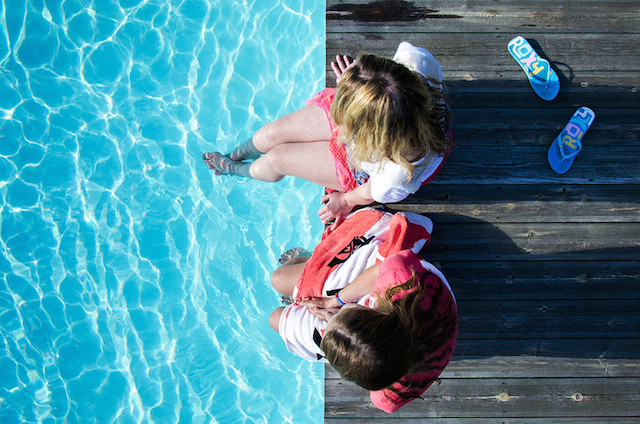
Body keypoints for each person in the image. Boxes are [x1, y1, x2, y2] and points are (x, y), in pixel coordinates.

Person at [203, 42, 452, 227]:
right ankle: (235, 154)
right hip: (381, 116)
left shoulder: (398, 173)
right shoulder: (416, 61)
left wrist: (345, 200)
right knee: (269, 135)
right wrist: (362, 84)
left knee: (276, 158)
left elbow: (370, 191)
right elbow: (387, 88)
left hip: (369, 164)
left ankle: (234, 169)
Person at [268, 208, 458, 413]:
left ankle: (305, 274)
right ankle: (307, 265)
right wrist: (336, 300)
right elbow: (381, 269)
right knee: (279, 281)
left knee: (276, 311)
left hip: (387, 330)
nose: (337, 311)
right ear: (377, 313)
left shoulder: (391, 392)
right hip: (411, 290)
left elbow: (364, 356)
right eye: (346, 311)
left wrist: (336, 321)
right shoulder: (404, 282)